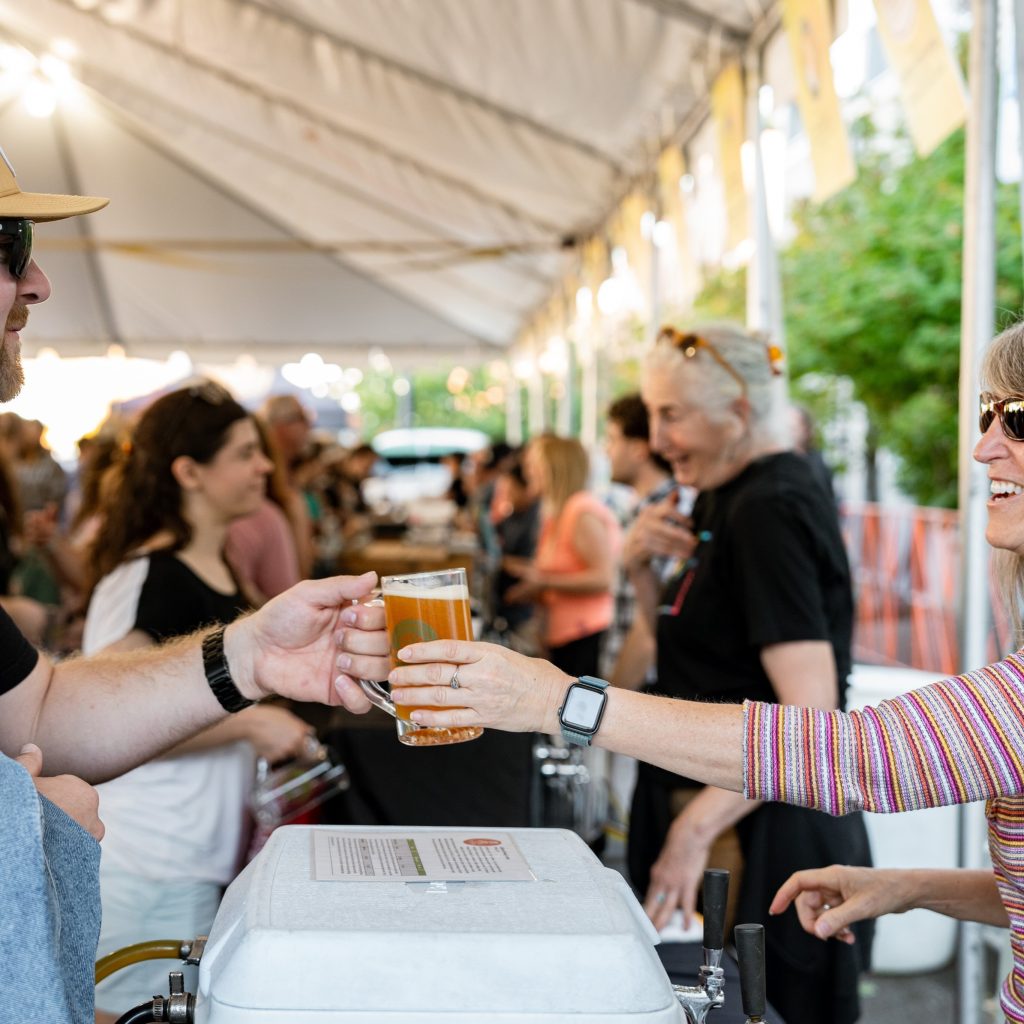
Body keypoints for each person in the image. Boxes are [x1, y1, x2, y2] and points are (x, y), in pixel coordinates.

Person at [338, 320, 1024, 1024]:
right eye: (986, 414)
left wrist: (557, 700)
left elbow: (843, 746)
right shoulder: (716, 498)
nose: (982, 446)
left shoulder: (770, 505)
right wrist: (911, 885)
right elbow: (665, 653)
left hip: (764, 842)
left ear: (740, 414)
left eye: (1017, 419)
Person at [0, 155, 381, 1024]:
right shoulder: (144, 572)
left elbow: (38, 714)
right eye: (11, 245)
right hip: (153, 862)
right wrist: (21, 826)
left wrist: (250, 656)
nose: (39, 281)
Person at [82, 382, 313, 1017]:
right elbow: (101, 715)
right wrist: (250, 725)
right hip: (148, 853)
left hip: (195, 849)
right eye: (244, 453)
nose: (264, 466)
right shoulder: (145, 577)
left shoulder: (218, 567)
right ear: (189, 472)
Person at [504, 435, 621, 680]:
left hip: (584, 635)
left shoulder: (580, 509)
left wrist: (543, 582)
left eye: (533, 465)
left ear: (553, 468)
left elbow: (604, 578)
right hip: (563, 634)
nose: (527, 472)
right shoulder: (556, 514)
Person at [602, 392, 677, 686]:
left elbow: (648, 630)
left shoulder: (663, 515)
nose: (607, 451)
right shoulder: (645, 509)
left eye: (612, 439)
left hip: (640, 691)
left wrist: (610, 704)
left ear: (638, 449)